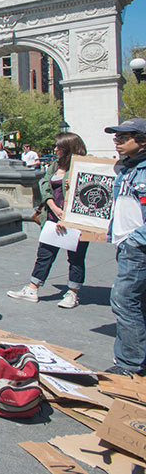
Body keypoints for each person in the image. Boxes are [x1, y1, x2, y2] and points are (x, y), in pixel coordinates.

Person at [6, 132, 89, 308]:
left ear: (69, 149)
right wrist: (52, 205)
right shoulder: (54, 166)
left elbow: (84, 196)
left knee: (75, 258)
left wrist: (66, 216)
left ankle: (72, 293)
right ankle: (32, 288)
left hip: (75, 221)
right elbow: (44, 184)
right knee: (44, 254)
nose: (55, 149)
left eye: (59, 146)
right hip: (52, 216)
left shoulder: (84, 168)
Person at [106, 119, 146, 375]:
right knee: (138, 300)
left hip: (138, 245)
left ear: (142, 140)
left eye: (123, 137)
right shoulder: (127, 169)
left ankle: (129, 364)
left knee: (123, 299)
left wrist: (133, 240)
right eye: (116, 137)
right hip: (127, 244)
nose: (116, 142)